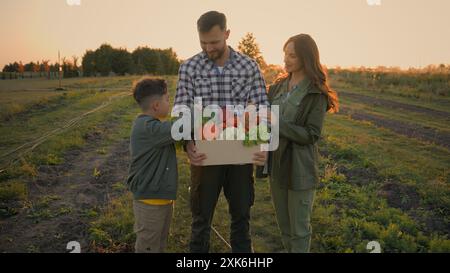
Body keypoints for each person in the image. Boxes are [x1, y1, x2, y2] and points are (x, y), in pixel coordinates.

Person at [173, 11, 268, 253]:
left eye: (214, 42)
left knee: (241, 219)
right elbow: (182, 109)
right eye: (203, 42)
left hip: (241, 155)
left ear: (227, 34)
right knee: (201, 220)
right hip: (206, 157)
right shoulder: (189, 67)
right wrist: (187, 144)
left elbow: (263, 108)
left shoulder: (249, 66)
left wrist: (263, 145)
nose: (208, 47)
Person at [267, 34, 339, 253]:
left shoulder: (315, 92)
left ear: (306, 58)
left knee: (299, 230)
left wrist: (276, 123)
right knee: (285, 228)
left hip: (299, 168)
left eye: (292, 56)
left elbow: (311, 134)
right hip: (276, 164)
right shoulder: (278, 86)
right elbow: (265, 122)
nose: (286, 60)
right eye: (285, 54)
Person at [126, 78, 178, 253]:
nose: (169, 103)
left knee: (159, 243)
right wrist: (203, 112)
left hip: (160, 198)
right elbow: (180, 127)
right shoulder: (148, 128)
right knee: (148, 245)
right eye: (167, 99)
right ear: (156, 105)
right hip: (149, 201)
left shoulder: (153, 126)